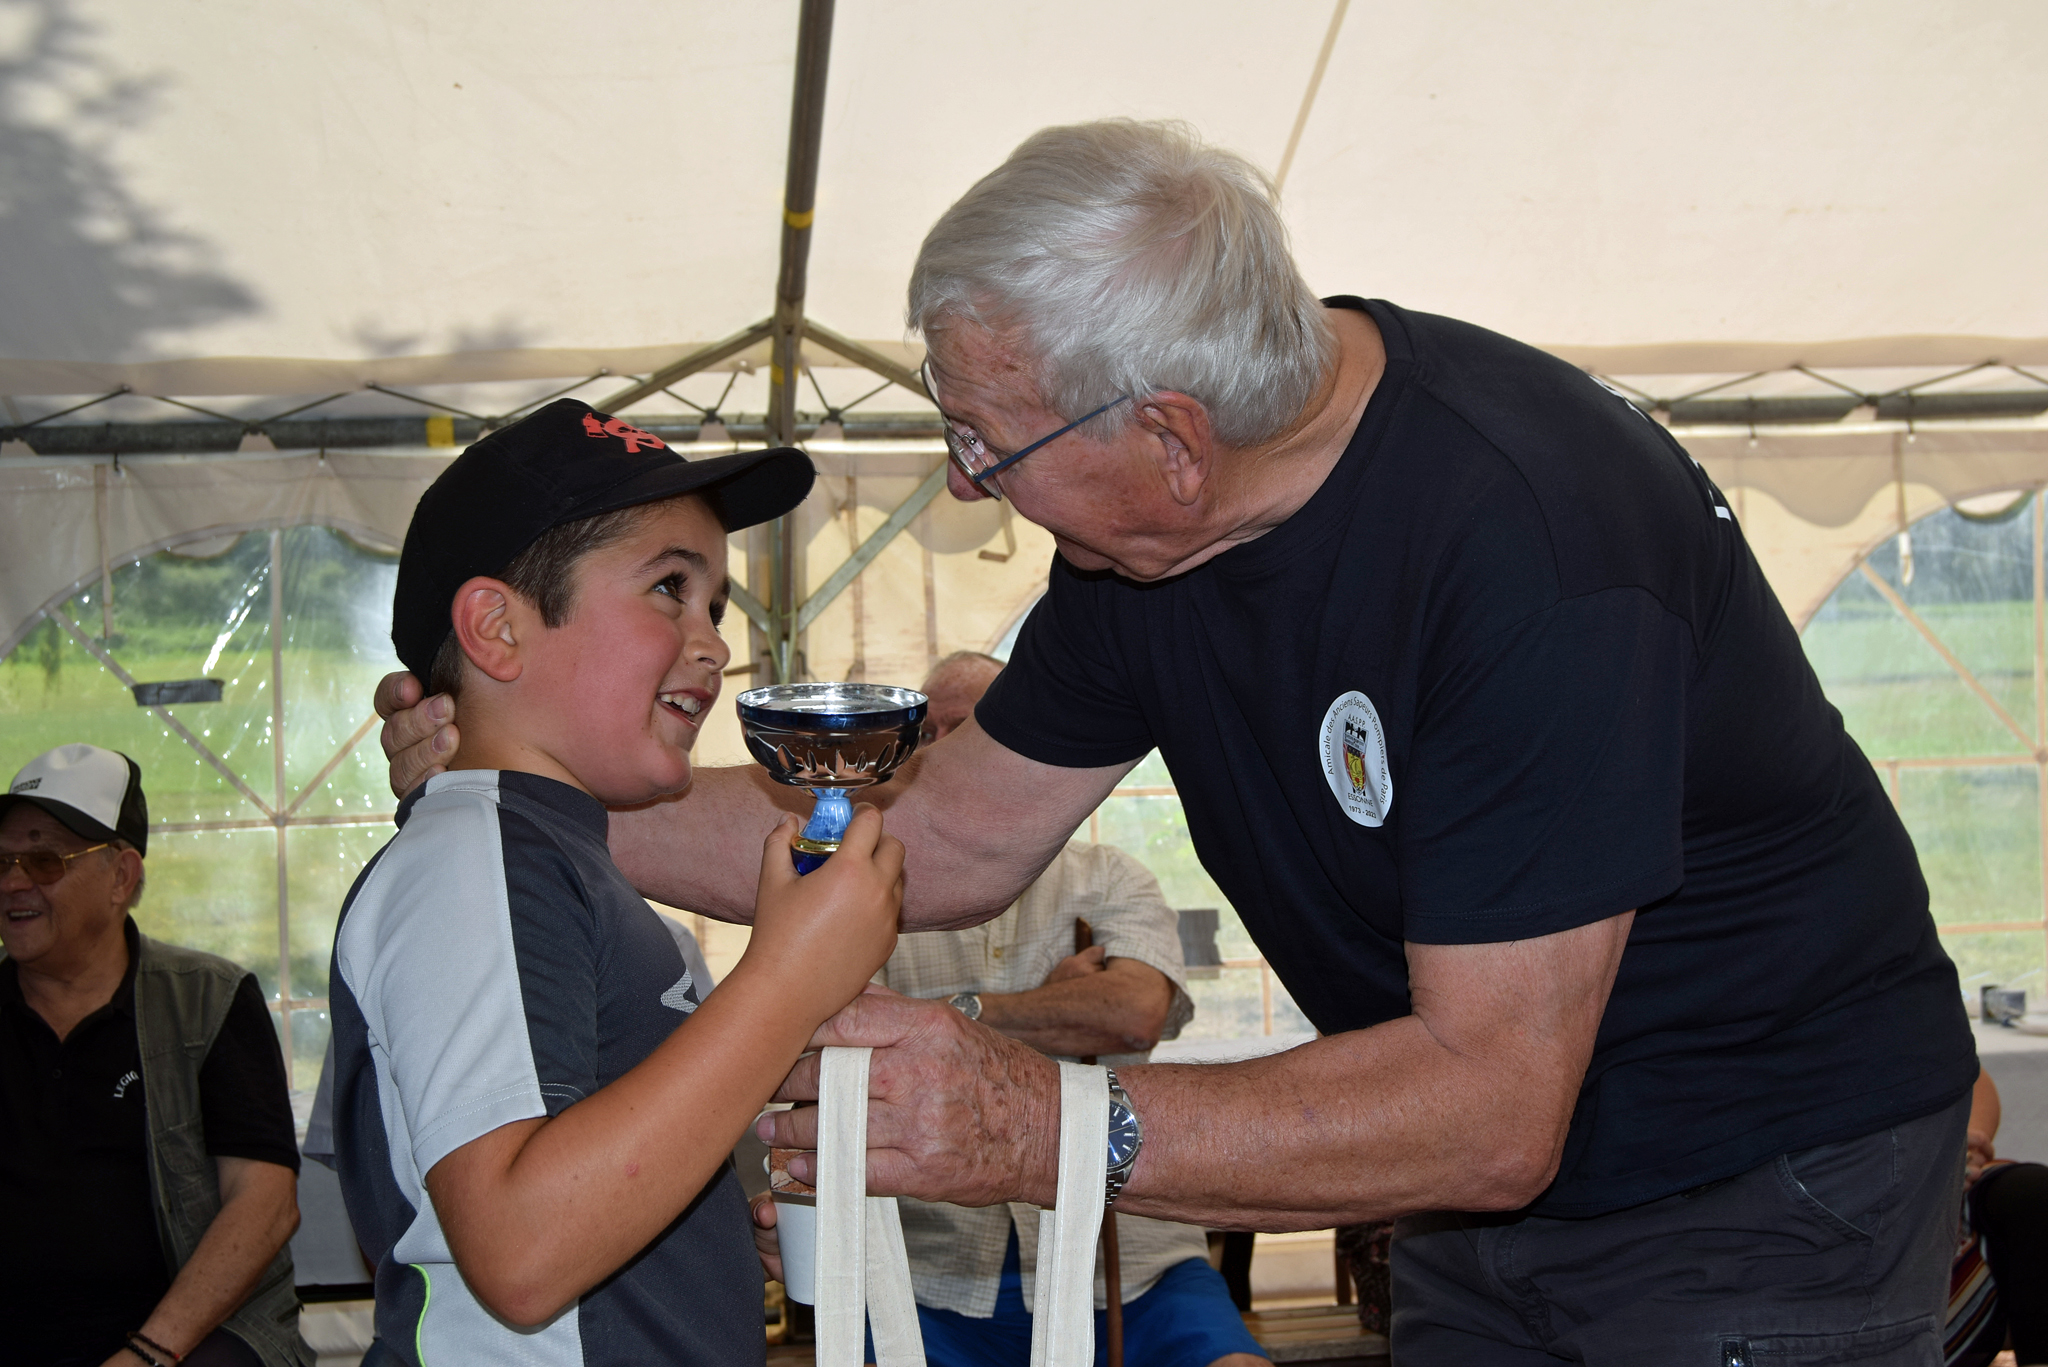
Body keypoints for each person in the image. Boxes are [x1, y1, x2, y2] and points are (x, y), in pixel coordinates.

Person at [379, 122, 1980, 1362]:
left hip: (1758, 1175)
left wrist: (1031, 1120)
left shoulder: (1532, 544)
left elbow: (1493, 1103)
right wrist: (518, 776)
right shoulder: (1139, 550)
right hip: (1473, 1189)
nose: (964, 480)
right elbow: (947, 834)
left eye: (984, 437)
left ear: (1170, 436)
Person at [327, 400, 904, 1364]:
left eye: (715, 606)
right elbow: (521, 1247)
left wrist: (705, 1243)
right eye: (670, 587)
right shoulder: (475, 855)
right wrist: (787, 980)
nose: (713, 642)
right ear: (497, 629)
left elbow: (583, 1185)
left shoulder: (570, 869)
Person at [875, 651, 1265, 1367]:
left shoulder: (1109, 877)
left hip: (1128, 1262)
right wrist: (1054, 1007)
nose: (939, 751)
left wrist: (948, 1017)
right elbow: (842, 1045)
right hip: (930, 1274)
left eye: (964, 728)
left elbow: (1132, 1014)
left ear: (1013, 741)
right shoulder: (871, 896)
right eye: (924, 735)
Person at [0, 743, 310, 1367]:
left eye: (44, 860)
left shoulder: (208, 1001)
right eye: (1, 861)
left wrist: (147, 1355)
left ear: (121, 876)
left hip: (188, 1339)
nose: (12, 882)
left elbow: (265, 1204)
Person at [1948, 1067, 2048, 1366]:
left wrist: (1963, 1153)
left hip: (1940, 1182)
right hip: (1849, 1189)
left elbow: (1972, 1076)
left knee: (2031, 1193)